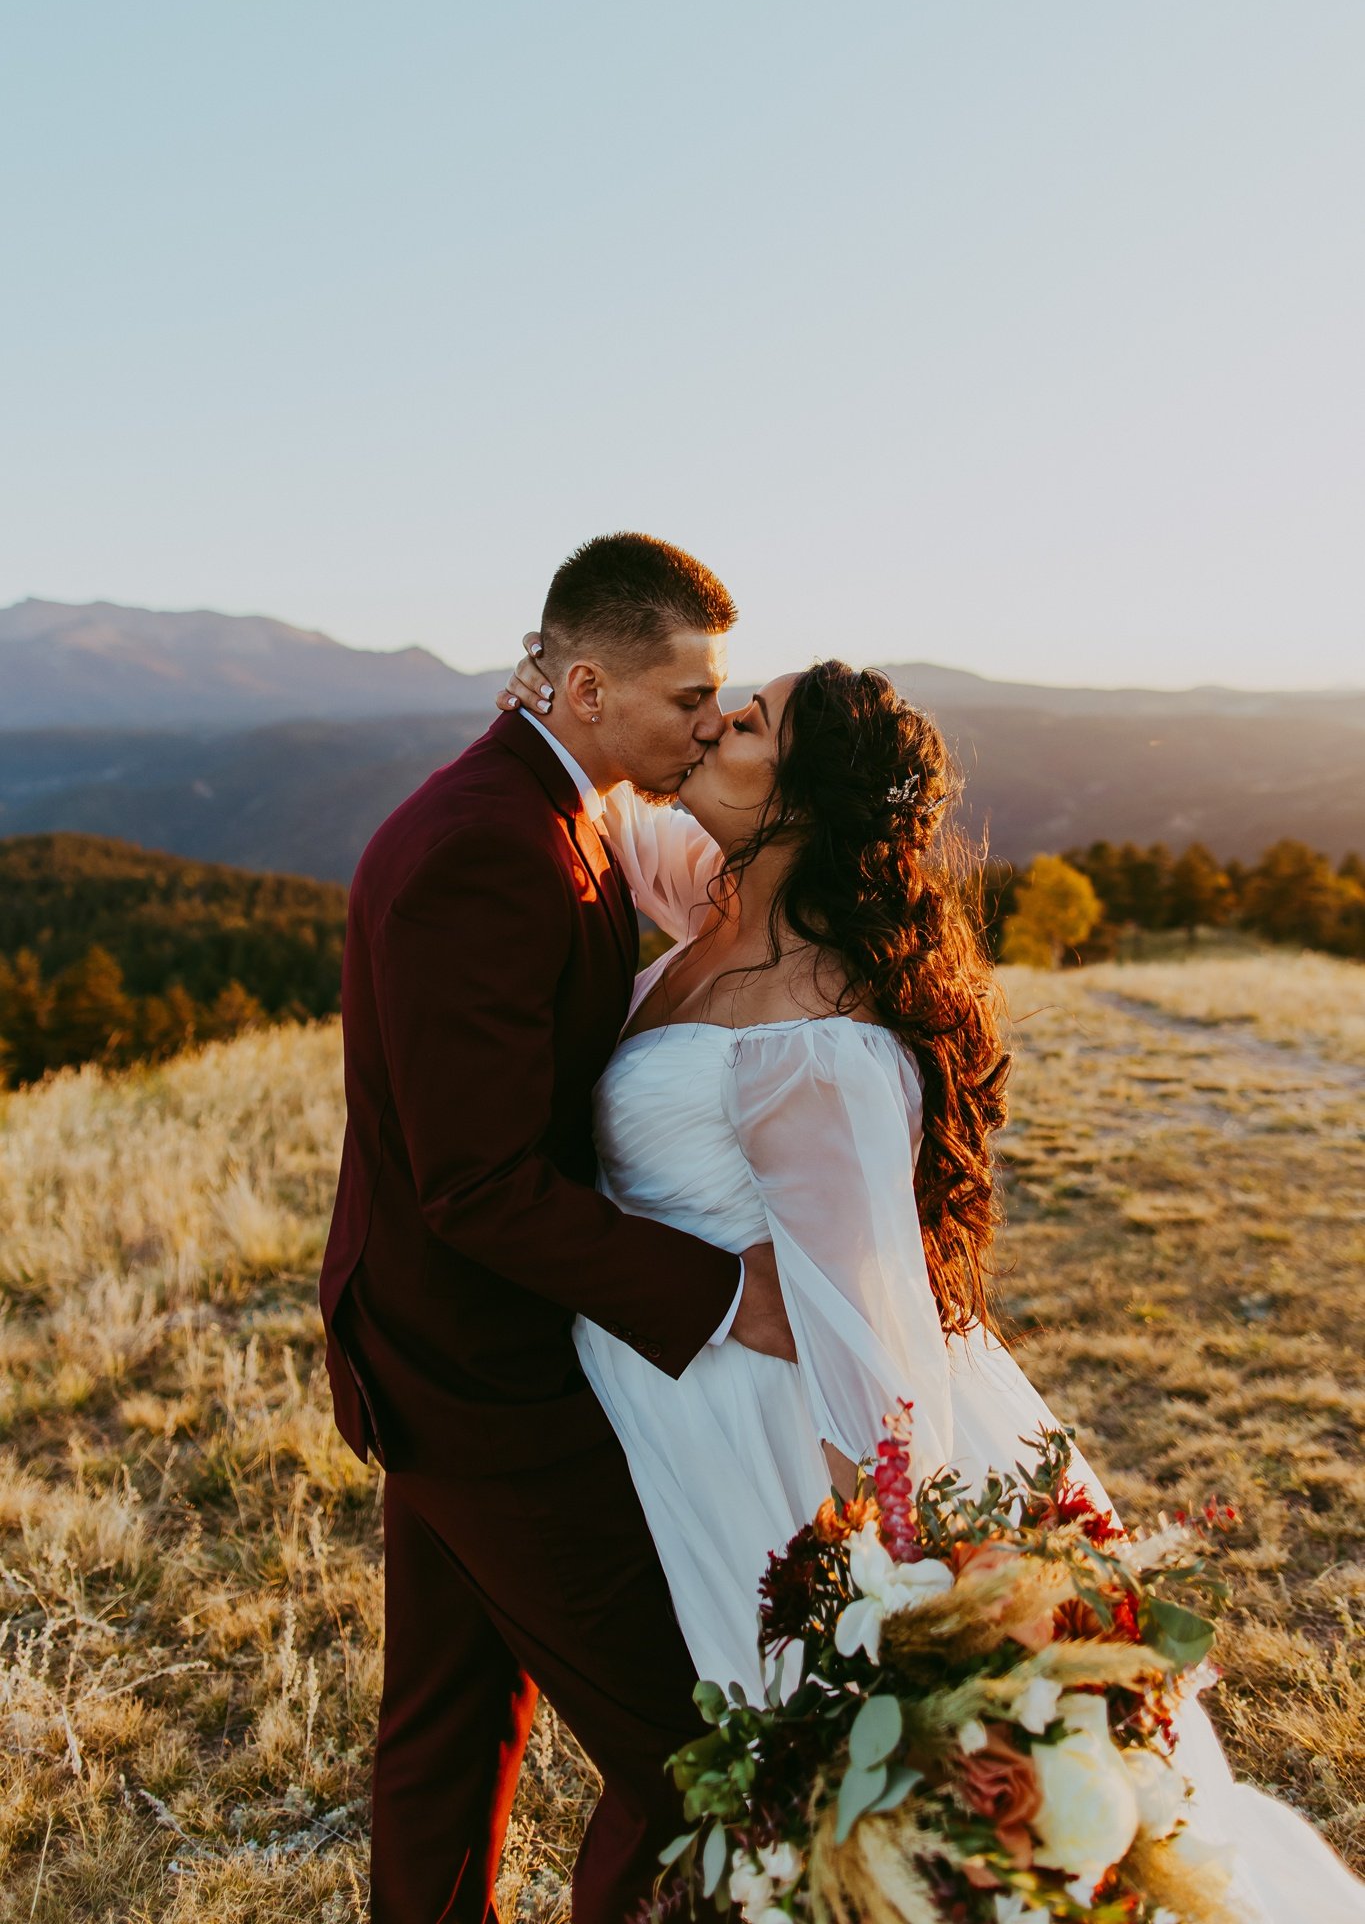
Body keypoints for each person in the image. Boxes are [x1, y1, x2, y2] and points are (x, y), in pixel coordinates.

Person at [498, 649, 1365, 1922]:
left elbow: (868, 1334)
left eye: (744, 722)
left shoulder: (818, 1031)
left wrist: (885, 1597)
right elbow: (617, 806)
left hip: (775, 1443)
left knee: (838, 1816)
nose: (711, 730)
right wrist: (561, 689)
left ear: (798, 799)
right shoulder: (719, 901)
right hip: (675, 1394)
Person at [320, 532, 795, 1924]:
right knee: (692, 1748)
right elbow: (474, 1184)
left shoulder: (554, 805)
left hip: (438, 1349)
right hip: (483, 1380)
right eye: (686, 698)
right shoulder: (487, 844)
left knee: (447, 1733)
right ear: (585, 686)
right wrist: (722, 1295)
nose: (708, 721)